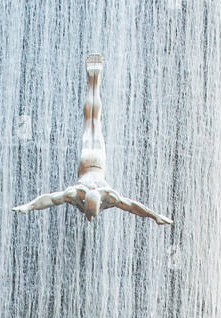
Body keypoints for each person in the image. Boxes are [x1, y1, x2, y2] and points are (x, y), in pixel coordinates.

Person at [14, 54, 171, 226]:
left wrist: (29, 206)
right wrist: (154, 216)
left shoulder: (87, 193)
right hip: (87, 159)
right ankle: (93, 82)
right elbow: (133, 207)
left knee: (94, 121)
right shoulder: (94, 194)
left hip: (97, 162)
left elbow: (50, 199)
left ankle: (94, 82)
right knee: (91, 121)